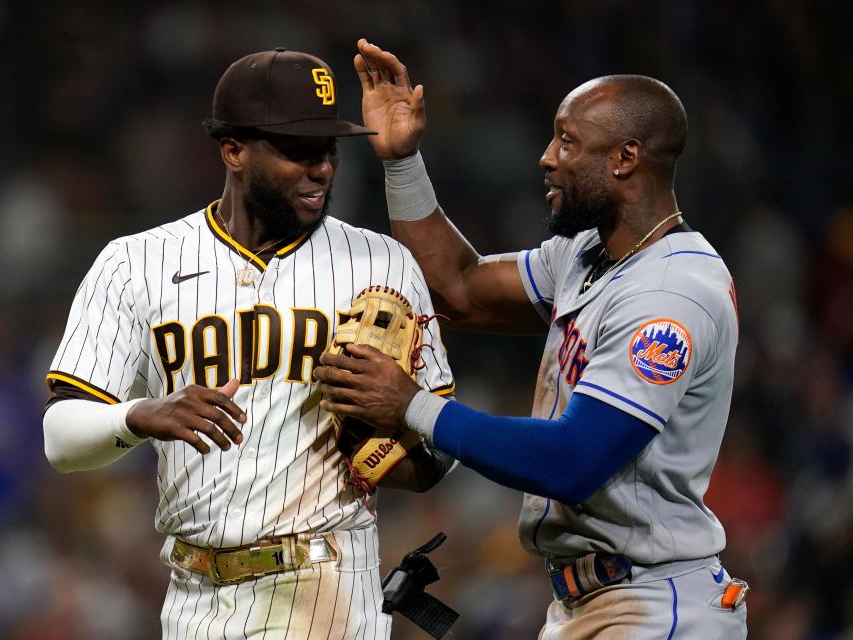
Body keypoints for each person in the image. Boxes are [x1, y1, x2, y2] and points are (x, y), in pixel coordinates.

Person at [314, 39, 748, 638]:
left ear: (625, 158)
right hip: (591, 600)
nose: (547, 157)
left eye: (567, 141)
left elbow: (573, 461)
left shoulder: (669, 293)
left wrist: (412, 406)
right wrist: (402, 162)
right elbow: (456, 288)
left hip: (652, 605)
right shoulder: (589, 254)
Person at [42, 47, 455, 640]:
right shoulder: (136, 262)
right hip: (193, 598)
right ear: (233, 150)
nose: (321, 169)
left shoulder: (379, 261)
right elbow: (60, 439)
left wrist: (390, 441)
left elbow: (440, 449)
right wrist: (141, 415)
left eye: (328, 149)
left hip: (330, 587)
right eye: (296, 151)